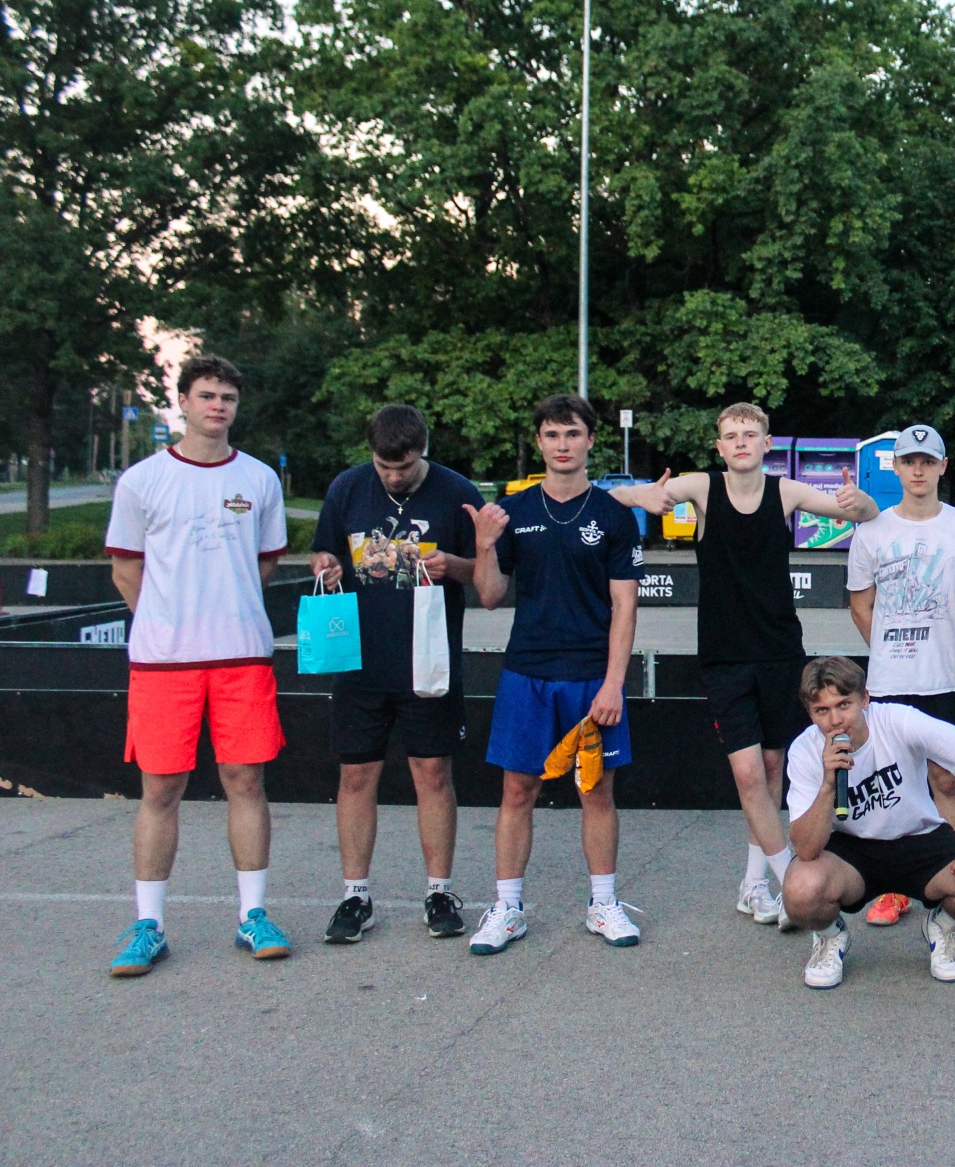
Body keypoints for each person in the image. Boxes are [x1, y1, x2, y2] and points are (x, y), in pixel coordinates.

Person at [609, 402, 876, 927]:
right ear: (719, 447)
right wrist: (639, 495)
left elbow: (860, 513)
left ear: (766, 443)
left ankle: (753, 885)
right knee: (748, 771)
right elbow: (615, 497)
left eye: (749, 434)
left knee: (773, 768)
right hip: (724, 657)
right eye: (730, 436)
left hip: (780, 653)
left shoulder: (786, 492)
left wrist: (860, 500)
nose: (740, 443)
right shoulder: (703, 488)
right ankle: (787, 879)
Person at [105, 356, 293, 976]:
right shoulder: (142, 480)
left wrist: (222, 611)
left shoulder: (260, 478)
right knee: (161, 789)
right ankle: (149, 926)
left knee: (247, 782)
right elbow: (126, 570)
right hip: (165, 664)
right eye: (207, 395)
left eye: (228, 398)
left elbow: (265, 563)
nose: (218, 406)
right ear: (183, 402)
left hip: (242, 657)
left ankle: (253, 915)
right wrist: (167, 623)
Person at [466, 394, 644, 954]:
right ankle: (508, 908)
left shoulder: (613, 515)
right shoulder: (512, 512)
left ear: (590, 440)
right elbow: (490, 596)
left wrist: (614, 683)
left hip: (591, 676)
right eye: (551, 435)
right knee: (517, 789)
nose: (562, 445)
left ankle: (603, 904)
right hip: (528, 672)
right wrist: (484, 546)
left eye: (572, 434)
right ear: (539, 442)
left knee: (596, 790)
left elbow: (625, 607)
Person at [309, 404, 485, 944]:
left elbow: (490, 576)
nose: (392, 476)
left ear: (422, 450)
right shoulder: (347, 487)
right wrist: (326, 567)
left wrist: (454, 566)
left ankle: (439, 892)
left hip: (429, 660)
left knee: (432, 774)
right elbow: (324, 551)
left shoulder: (457, 492)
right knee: (355, 776)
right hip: (360, 660)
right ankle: (355, 895)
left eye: (403, 467)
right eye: (383, 467)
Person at [782, 657, 955, 987]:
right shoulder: (805, 750)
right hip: (851, 850)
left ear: (865, 699)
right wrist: (828, 785)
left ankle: (944, 927)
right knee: (800, 891)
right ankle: (830, 937)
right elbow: (805, 849)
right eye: (822, 710)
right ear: (811, 714)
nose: (835, 720)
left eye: (844, 704)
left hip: (918, 837)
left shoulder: (898, 720)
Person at [845, 422, 955, 928]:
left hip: (946, 676)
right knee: (895, 784)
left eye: (927, 461)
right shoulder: (871, 531)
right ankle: (895, 887)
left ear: (943, 466)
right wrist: (889, 650)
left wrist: (941, 636)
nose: (918, 470)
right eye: (909, 461)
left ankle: (946, 878)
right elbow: (861, 607)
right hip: (889, 681)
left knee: (946, 777)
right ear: (897, 468)